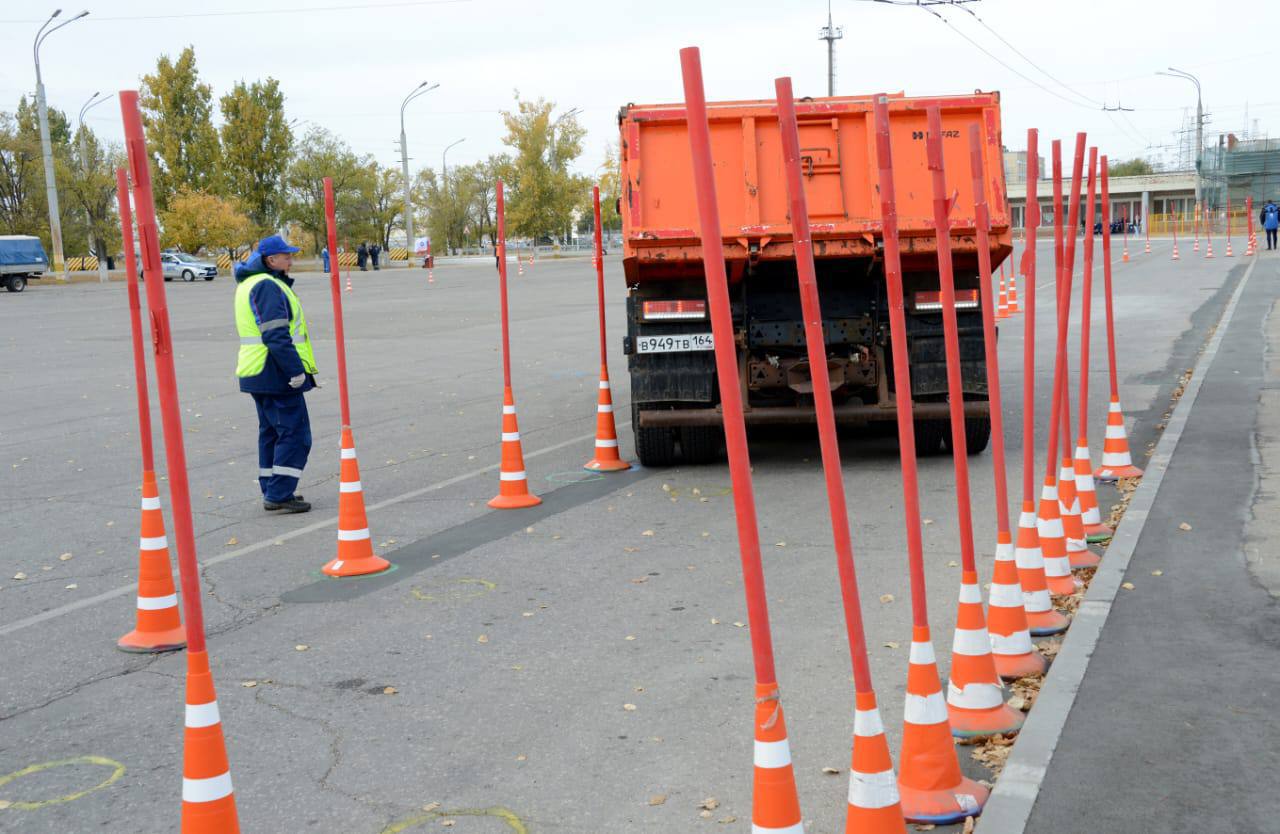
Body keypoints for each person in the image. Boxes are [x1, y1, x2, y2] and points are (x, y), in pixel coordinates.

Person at [234, 235, 318, 514]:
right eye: (286, 256)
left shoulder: (250, 283)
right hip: (274, 371)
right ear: (271, 260)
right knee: (294, 434)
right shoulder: (267, 286)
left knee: (271, 433)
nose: (291, 260)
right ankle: (280, 493)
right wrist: (295, 371)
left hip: (257, 371)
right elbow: (276, 334)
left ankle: (273, 487)